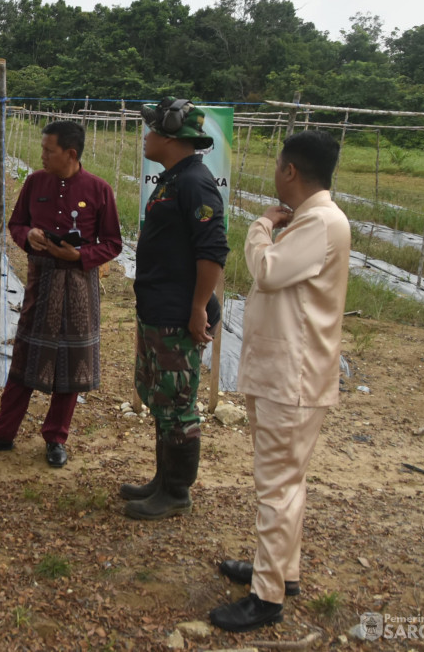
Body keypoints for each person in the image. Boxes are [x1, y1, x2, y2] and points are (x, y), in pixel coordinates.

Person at [209, 130, 351, 632]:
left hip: (292, 379)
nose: (274, 172)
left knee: (277, 487)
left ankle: (266, 598)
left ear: (290, 171)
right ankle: (280, 571)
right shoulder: (313, 219)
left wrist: (260, 226)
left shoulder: (321, 223)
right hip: (283, 374)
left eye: (277, 165)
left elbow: (266, 270)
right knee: (286, 482)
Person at [0, 120, 122, 468]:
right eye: (43, 149)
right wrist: (28, 235)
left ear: (71, 153)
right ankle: (2, 433)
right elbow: (16, 223)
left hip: (79, 284)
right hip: (42, 280)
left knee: (71, 361)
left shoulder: (99, 189)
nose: (42, 155)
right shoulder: (35, 183)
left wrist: (80, 256)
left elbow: (113, 243)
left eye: (49, 150)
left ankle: (55, 438)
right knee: (24, 356)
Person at [122, 98, 228, 520]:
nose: (145, 136)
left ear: (170, 136)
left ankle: (177, 492)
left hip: (178, 314)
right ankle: (162, 480)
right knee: (160, 397)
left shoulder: (195, 183)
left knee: (178, 403)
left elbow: (212, 252)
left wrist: (198, 307)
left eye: (150, 130)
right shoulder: (171, 179)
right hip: (158, 308)